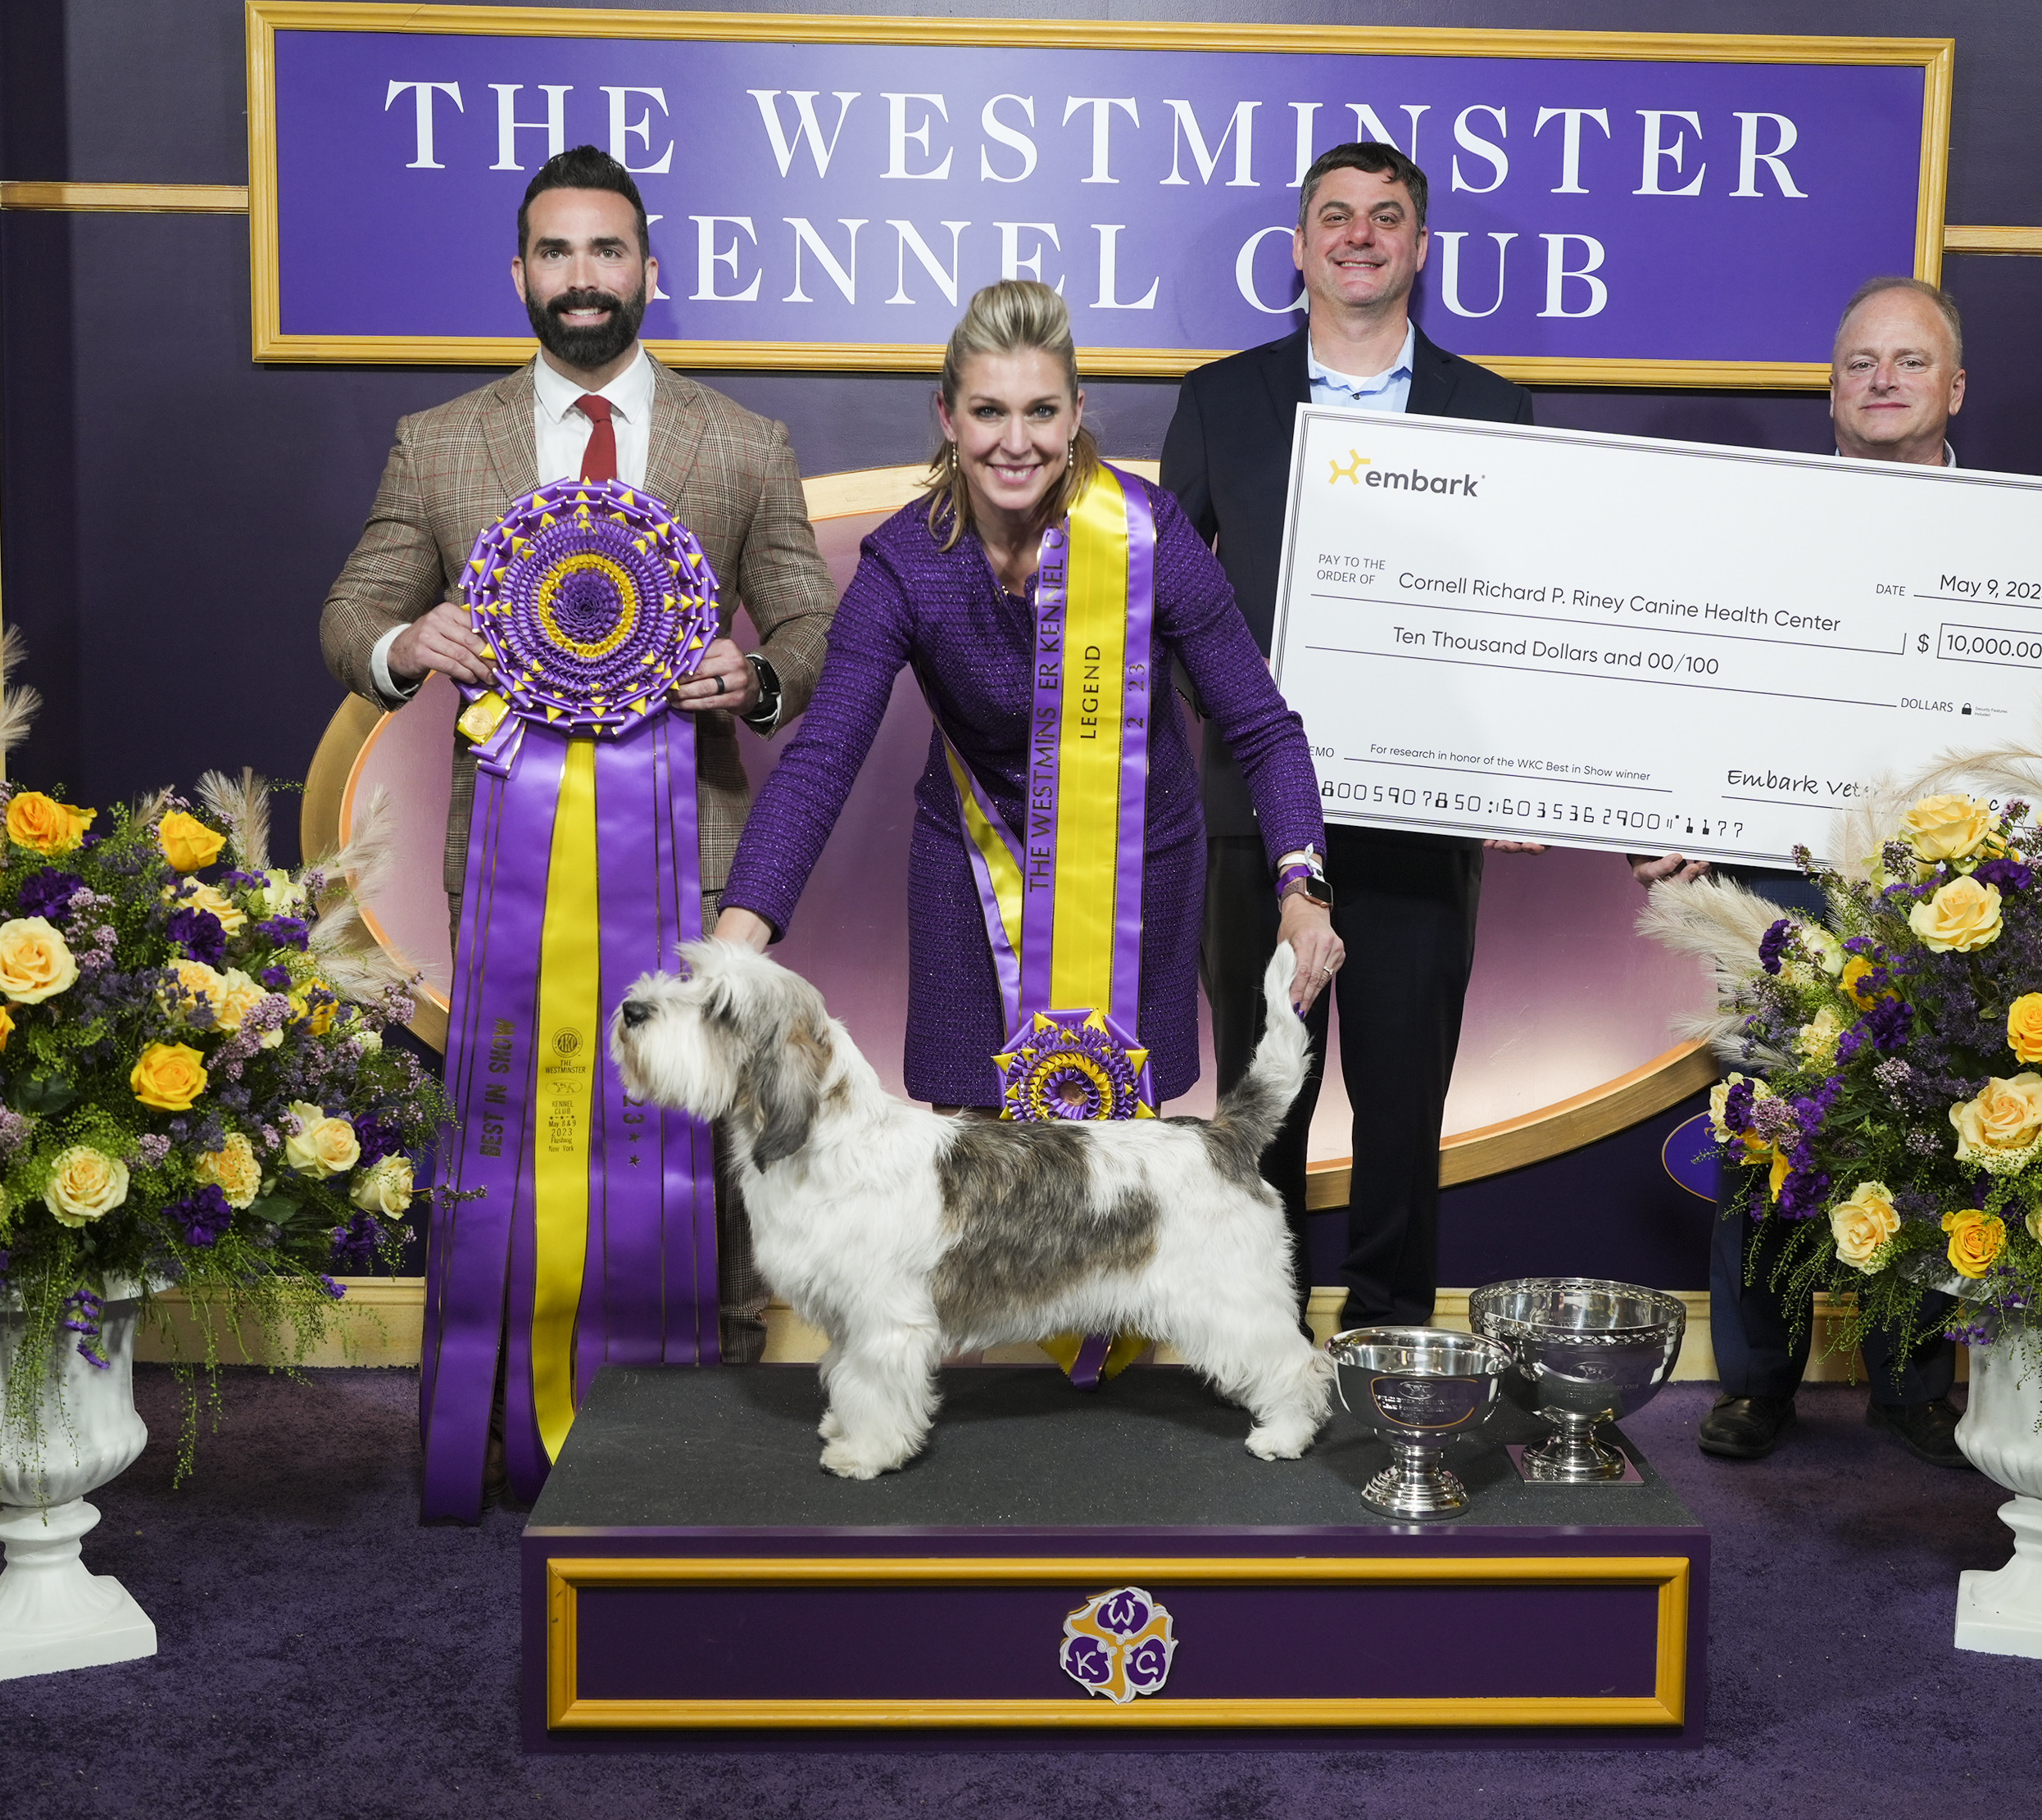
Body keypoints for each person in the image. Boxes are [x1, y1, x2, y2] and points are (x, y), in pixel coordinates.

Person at [1639, 274, 2042, 1466]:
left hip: (1957, 886)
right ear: (1831, 393)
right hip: (1775, 875)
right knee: (1768, 1130)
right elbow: (1688, 677)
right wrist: (1661, 808)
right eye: (1859, 364)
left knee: (1943, 1129)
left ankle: (1913, 1379)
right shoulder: (1757, 527)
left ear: (1957, 388)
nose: (1882, 381)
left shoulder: (2039, 538)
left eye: (1909, 362)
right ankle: (1758, 1378)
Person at [318, 144, 837, 1365]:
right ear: (519, 273)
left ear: (650, 268)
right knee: (519, 1128)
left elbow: (812, 617)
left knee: (697, 1152)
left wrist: (758, 676)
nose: (584, 275)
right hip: (507, 863)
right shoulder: (439, 444)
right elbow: (349, 613)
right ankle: (507, 1403)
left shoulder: (745, 442)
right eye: (558, 251)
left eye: (607, 249)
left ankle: (701, 1417)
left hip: (695, 858)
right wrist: (410, 637)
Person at [710, 279, 1341, 1129]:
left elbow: (1264, 729)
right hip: (968, 880)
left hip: (1135, 873)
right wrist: (736, 938)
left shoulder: (1148, 535)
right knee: (974, 1179)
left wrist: (1302, 890)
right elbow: (823, 756)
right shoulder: (908, 560)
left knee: (1119, 1188)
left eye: (1040, 412)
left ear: (1076, 412)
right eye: (987, 412)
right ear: (947, 416)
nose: (1015, 442)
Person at [1159, 143, 1537, 1334]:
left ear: (1421, 249)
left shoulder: (1497, 411)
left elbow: (1530, 617)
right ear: (1299, 248)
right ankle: (1259, 1334)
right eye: (1336, 216)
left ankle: (1386, 1341)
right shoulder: (1223, 400)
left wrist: (1526, 764)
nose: (1360, 235)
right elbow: (1168, 604)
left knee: (1403, 1102)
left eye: (1387, 218)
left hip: (1424, 821)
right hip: (1255, 819)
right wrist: (1238, 716)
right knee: (1264, 1093)